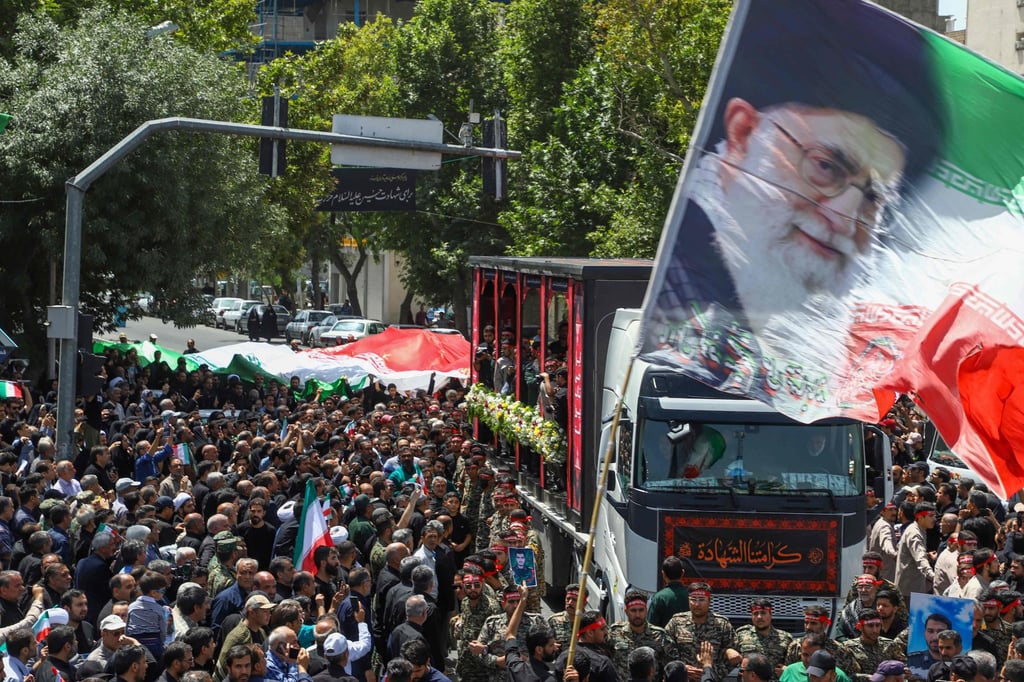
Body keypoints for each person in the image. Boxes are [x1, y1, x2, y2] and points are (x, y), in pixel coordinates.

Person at [647, 557, 689, 627]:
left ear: (663, 574)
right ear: (683, 573)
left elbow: (651, 627)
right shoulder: (691, 597)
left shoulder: (659, 598)